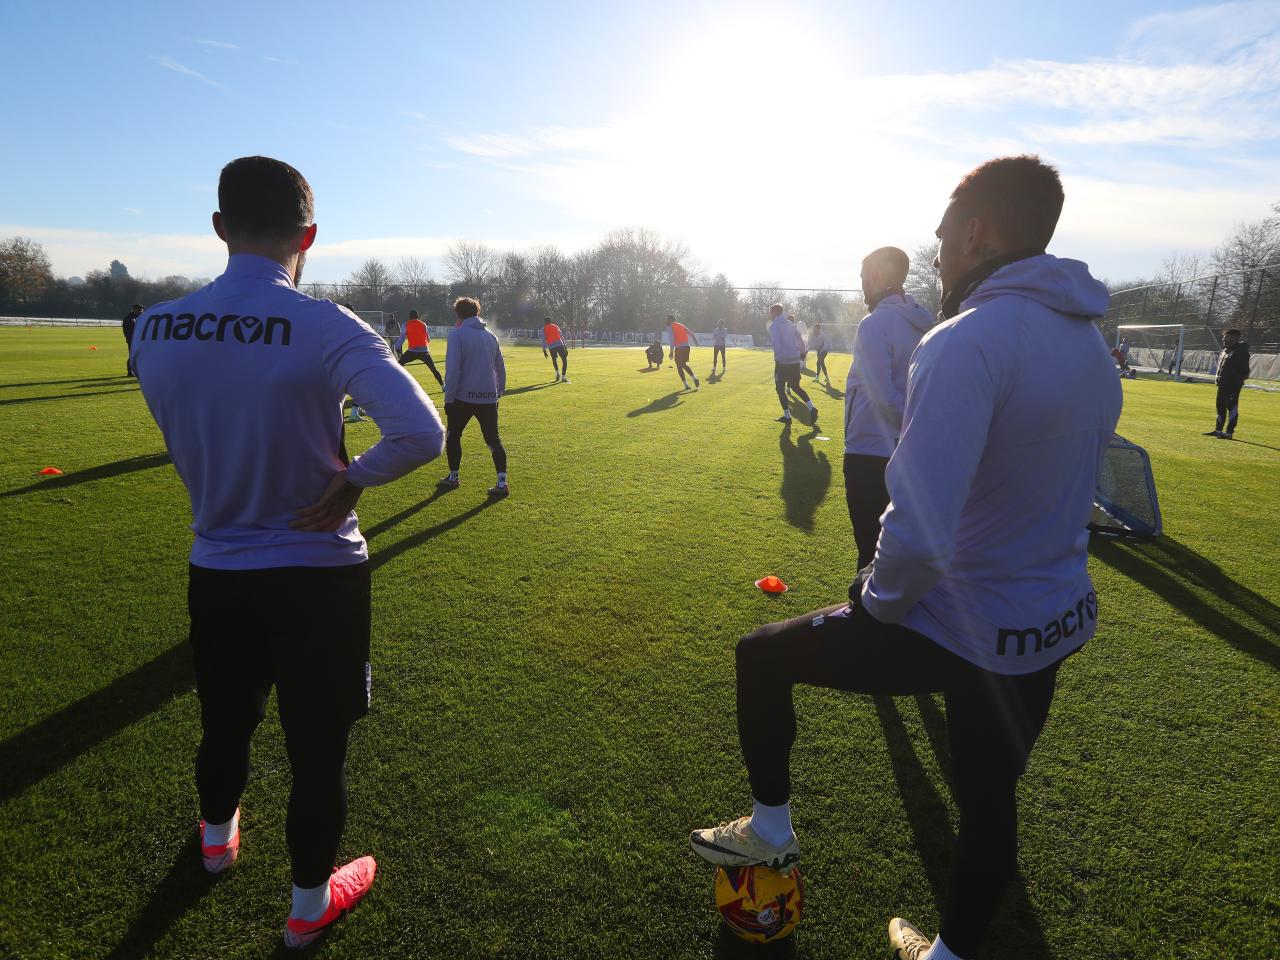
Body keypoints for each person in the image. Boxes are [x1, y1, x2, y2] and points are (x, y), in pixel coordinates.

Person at [689, 155, 1122, 960]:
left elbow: (919, 527)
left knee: (760, 655)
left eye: (943, 238)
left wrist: (875, 599)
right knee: (989, 798)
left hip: (960, 622)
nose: (940, 255)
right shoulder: (1088, 345)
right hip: (1050, 623)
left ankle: (770, 827)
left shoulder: (968, 339)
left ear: (976, 233)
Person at [131, 156, 446, 949]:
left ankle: (216, 843)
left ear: (218, 227)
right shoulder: (326, 324)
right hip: (318, 573)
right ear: (308, 236)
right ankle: (307, 909)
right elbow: (421, 433)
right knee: (316, 748)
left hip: (218, 564)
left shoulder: (156, 327)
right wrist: (353, 480)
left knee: (223, 721)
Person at [843, 246, 934, 569]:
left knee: (870, 553)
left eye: (863, 278)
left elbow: (881, 398)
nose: (861, 286)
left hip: (869, 453)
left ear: (878, 276)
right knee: (896, 554)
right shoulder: (923, 323)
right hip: (909, 453)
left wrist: (909, 424)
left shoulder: (874, 324)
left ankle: (866, 603)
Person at [439, 297, 509, 497]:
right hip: (488, 398)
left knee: (453, 436)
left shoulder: (457, 334)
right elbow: (500, 368)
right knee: (493, 440)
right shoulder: (491, 336)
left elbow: (453, 369)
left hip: (462, 398)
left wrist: (449, 399)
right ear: (477, 312)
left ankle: (453, 477)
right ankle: (502, 482)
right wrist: (498, 393)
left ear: (458, 313)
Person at [767, 304, 817, 424]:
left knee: (779, 388)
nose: (770, 315)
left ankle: (787, 417)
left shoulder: (774, 326)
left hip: (783, 362)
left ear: (775, 313)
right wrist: (802, 352)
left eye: (770, 313)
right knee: (795, 387)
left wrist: (778, 359)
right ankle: (812, 408)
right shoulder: (790, 324)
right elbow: (799, 338)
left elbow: (777, 344)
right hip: (794, 360)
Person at [1204, 328, 1250, 439]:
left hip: (1232, 385)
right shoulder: (1226, 350)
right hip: (1222, 384)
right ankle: (1218, 430)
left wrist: (1235, 380)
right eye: (1224, 337)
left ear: (1234, 338)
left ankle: (1229, 433)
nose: (1223, 339)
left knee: (1231, 407)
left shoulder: (1240, 351)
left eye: (1226, 337)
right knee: (1220, 406)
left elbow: (1245, 371)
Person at [399, 309, 444, 387]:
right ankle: (443, 386)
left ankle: (398, 383)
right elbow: (428, 339)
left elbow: (401, 339)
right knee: (433, 369)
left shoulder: (405, 324)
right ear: (417, 316)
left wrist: (397, 348)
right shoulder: (423, 324)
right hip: (424, 351)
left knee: (398, 365)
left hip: (412, 351)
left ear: (409, 317)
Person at [666, 315, 700, 389]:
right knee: (683, 364)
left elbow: (672, 340)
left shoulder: (671, 327)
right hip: (686, 347)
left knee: (679, 366)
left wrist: (671, 352)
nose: (666, 321)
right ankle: (694, 378)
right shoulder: (681, 325)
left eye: (667, 319)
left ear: (670, 320)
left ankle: (686, 385)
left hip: (679, 348)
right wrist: (696, 342)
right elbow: (691, 334)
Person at [542, 317, 570, 382]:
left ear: (545, 322)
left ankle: (557, 373)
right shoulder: (556, 326)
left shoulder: (544, 329)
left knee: (554, 360)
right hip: (559, 345)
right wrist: (565, 346)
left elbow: (544, 339)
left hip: (551, 346)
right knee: (564, 360)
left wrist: (544, 350)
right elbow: (561, 336)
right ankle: (563, 376)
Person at [121, 303, 143, 376]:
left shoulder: (140, 317)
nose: (141, 311)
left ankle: (137, 371)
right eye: (139, 310)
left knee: (139, 355)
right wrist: (130, 340)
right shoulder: (129, 318)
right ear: (134, 309)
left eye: (141, 310)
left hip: (140, 340)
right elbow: (127, 331)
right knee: (132, 355)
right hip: (133, 340)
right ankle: (130, 372)